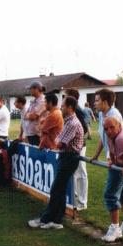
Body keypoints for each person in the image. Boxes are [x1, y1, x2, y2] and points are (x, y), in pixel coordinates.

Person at [28, 96, 84, 230]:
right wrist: (57, 141)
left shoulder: (72, 123)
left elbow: (59, 143)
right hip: (67, 157)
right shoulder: (68, 121)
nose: (61, 107)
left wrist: (57, 141)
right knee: (60, 189)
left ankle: (46, 219)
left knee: (56, 189)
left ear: (70, 107)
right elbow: (58, 139)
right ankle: (56, 220)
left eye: (63, 106)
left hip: (70, 158)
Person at [91, 88, 123, 238]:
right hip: (114, 157)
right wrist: (96, 155)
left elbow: (116, 138)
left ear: (105, 102)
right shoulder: (102, 114)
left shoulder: (113, 116)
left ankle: (115, 228)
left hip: (119, 158)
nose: (94, 103)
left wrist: (111, 157)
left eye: (97, 100)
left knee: (110, 194)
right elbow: (103, 137)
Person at [64, 88, 89, 210]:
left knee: (81, 172)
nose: (64, 98)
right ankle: (75, 199)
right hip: (75, 146)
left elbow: (84, 127)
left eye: (66, 96)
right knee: (75, 173)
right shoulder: (75, 110)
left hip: (79, 146)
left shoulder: (78, 110)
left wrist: (74, 139)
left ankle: (82, 202)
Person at [24, 81, 45, 146]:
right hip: (31, 133)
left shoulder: (42, 101)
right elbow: (25, 115)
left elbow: (33, 117)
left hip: (37, 134)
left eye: (30, 89)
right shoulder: (34, 101)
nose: (29, 91)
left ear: (36, 89)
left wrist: (29, 115)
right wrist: (29, 115)